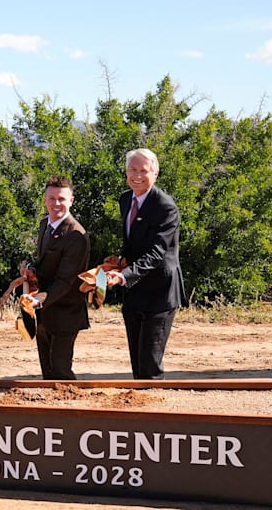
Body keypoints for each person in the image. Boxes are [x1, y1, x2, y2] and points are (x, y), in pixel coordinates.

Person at [105, 148, 186, 380]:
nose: (137, 175)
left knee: (150, 363)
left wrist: (124, 276)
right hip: (135, 290)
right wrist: (119, 262)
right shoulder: (125, 199)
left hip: (160, 291)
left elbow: (157, 252)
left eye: (143, 170)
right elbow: (134, 242)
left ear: (156, 173)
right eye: (133, 169)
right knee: (137, 362)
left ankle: (154, 413)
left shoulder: (165, 207)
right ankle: (137, 411)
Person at [26, 175, 90, 380]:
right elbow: (45, 264)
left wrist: (37, 300)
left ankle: (71, 411)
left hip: (66, 313)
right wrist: (30, 269)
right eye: (51, 198)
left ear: (71, 200)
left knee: (61, 373)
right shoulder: (45, 224)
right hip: (44, 313)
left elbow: (65, 281)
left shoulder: (76, 235)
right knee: (48, 372)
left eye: (61, 199)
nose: (56, 204)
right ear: (45, 200)